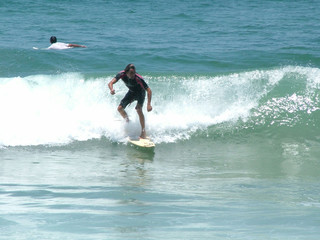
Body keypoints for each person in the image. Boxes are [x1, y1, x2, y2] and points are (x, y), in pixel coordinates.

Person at [108, 64, 152, 139]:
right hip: (131, 92)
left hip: (140, 93)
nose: (133, 75)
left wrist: (149, 104)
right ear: (126, 72)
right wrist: (111, 89)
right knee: (119, 108)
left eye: (134, 73)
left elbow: (149, 90)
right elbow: (110, 83)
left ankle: (143, 131)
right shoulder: (121, 74)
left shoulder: (138, 78)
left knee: (138, 109)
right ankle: (127, 121)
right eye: (131, 73)